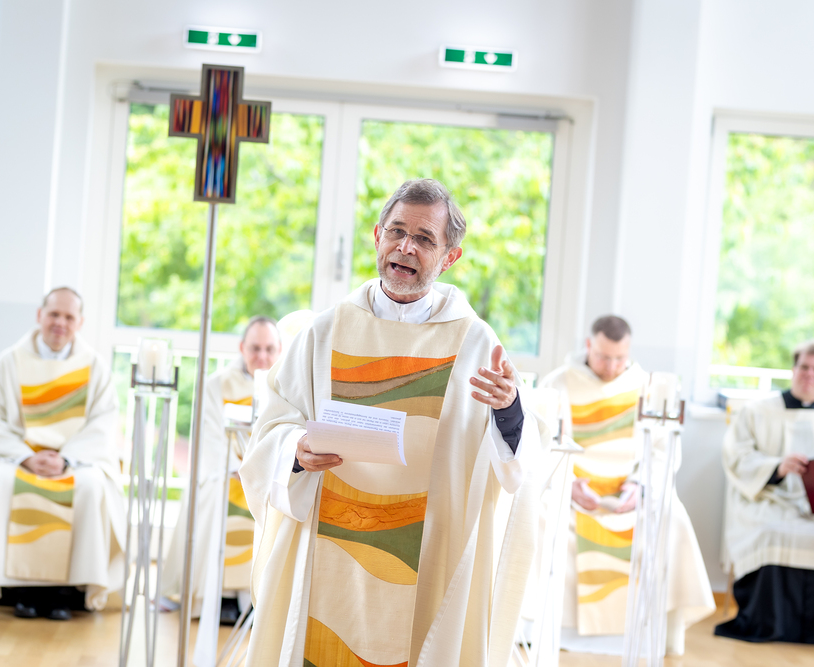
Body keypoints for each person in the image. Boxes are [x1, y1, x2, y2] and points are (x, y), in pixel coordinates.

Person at [240, 178, 543, 666]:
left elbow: (514, 461)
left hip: (429, 544)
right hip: (329, 532)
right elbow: (273, 425)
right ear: (377, 235)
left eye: (424, 239)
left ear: (449, 257)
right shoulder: (325, 330)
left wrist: (508, 406)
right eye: (397, 231)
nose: (406, 247)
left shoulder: (474, 343)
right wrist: (294, 450)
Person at [538, 316, 714, 655]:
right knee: (539, 518)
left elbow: (662, 448)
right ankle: (549, 631)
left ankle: (648, 636)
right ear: (588, 346)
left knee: (673, 519)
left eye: (619, 358)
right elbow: (544, 442)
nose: (612, 366)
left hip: (630, 493)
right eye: (604, 357)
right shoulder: (558, 383)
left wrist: (640, 485)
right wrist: (568, 483)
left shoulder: (647, 387)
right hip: (574, 491)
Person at [0, 288, 126, 620]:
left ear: (80, 322)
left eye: (68, 317)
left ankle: (67, 593)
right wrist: (25, 456)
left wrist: (65, 459)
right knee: (0, 483)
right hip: (18, 457)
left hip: (74, 461)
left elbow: (104, 423)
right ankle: (15, 591)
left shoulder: (94, 366)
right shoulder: (10, 361)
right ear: (39, 315)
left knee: (91, 487)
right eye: (54, 314)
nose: (60, 323)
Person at [715, 340, 814, 646]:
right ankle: (768, 625)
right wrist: (777, 467)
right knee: (772, 533)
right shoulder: (756, 412)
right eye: (804, 367)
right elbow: (737, 458)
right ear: (793, 370)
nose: (809, 374)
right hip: (771, 499)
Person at [160, 315, 281, 623]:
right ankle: (222, 596)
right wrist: (238, 469)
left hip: (270, 474)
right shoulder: (217, 385)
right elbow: (210, 438)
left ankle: (257, 598)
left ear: (279, 350)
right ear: (242, 348)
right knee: (217, 497)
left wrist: (263, 470)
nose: (262, 356)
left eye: (269, 349)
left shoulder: (285, 386)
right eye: (255, 348)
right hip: (227, 472)